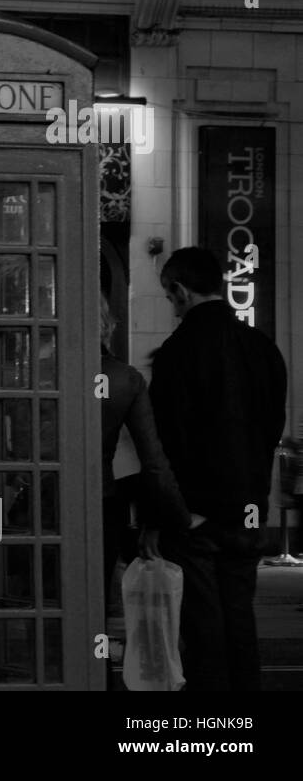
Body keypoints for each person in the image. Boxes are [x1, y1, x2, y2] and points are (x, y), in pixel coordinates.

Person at [149, 247, 289, 691]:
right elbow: (271, 429)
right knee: (240, 623)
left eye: (169, 296)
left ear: (180, 290)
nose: (171, 306)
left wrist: (168, 514)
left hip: (196, 516)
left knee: (204, 633)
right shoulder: (264, 348)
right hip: (248, 511)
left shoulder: (176, 353)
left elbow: (166, 443)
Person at [98, 292, 190, 599]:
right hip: (102, 501)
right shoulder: (125, 379)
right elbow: (154, 459)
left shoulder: (38, 374)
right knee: (94, 599)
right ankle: (92, 647)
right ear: (106, 322)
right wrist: (176, 517)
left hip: (44, 502)